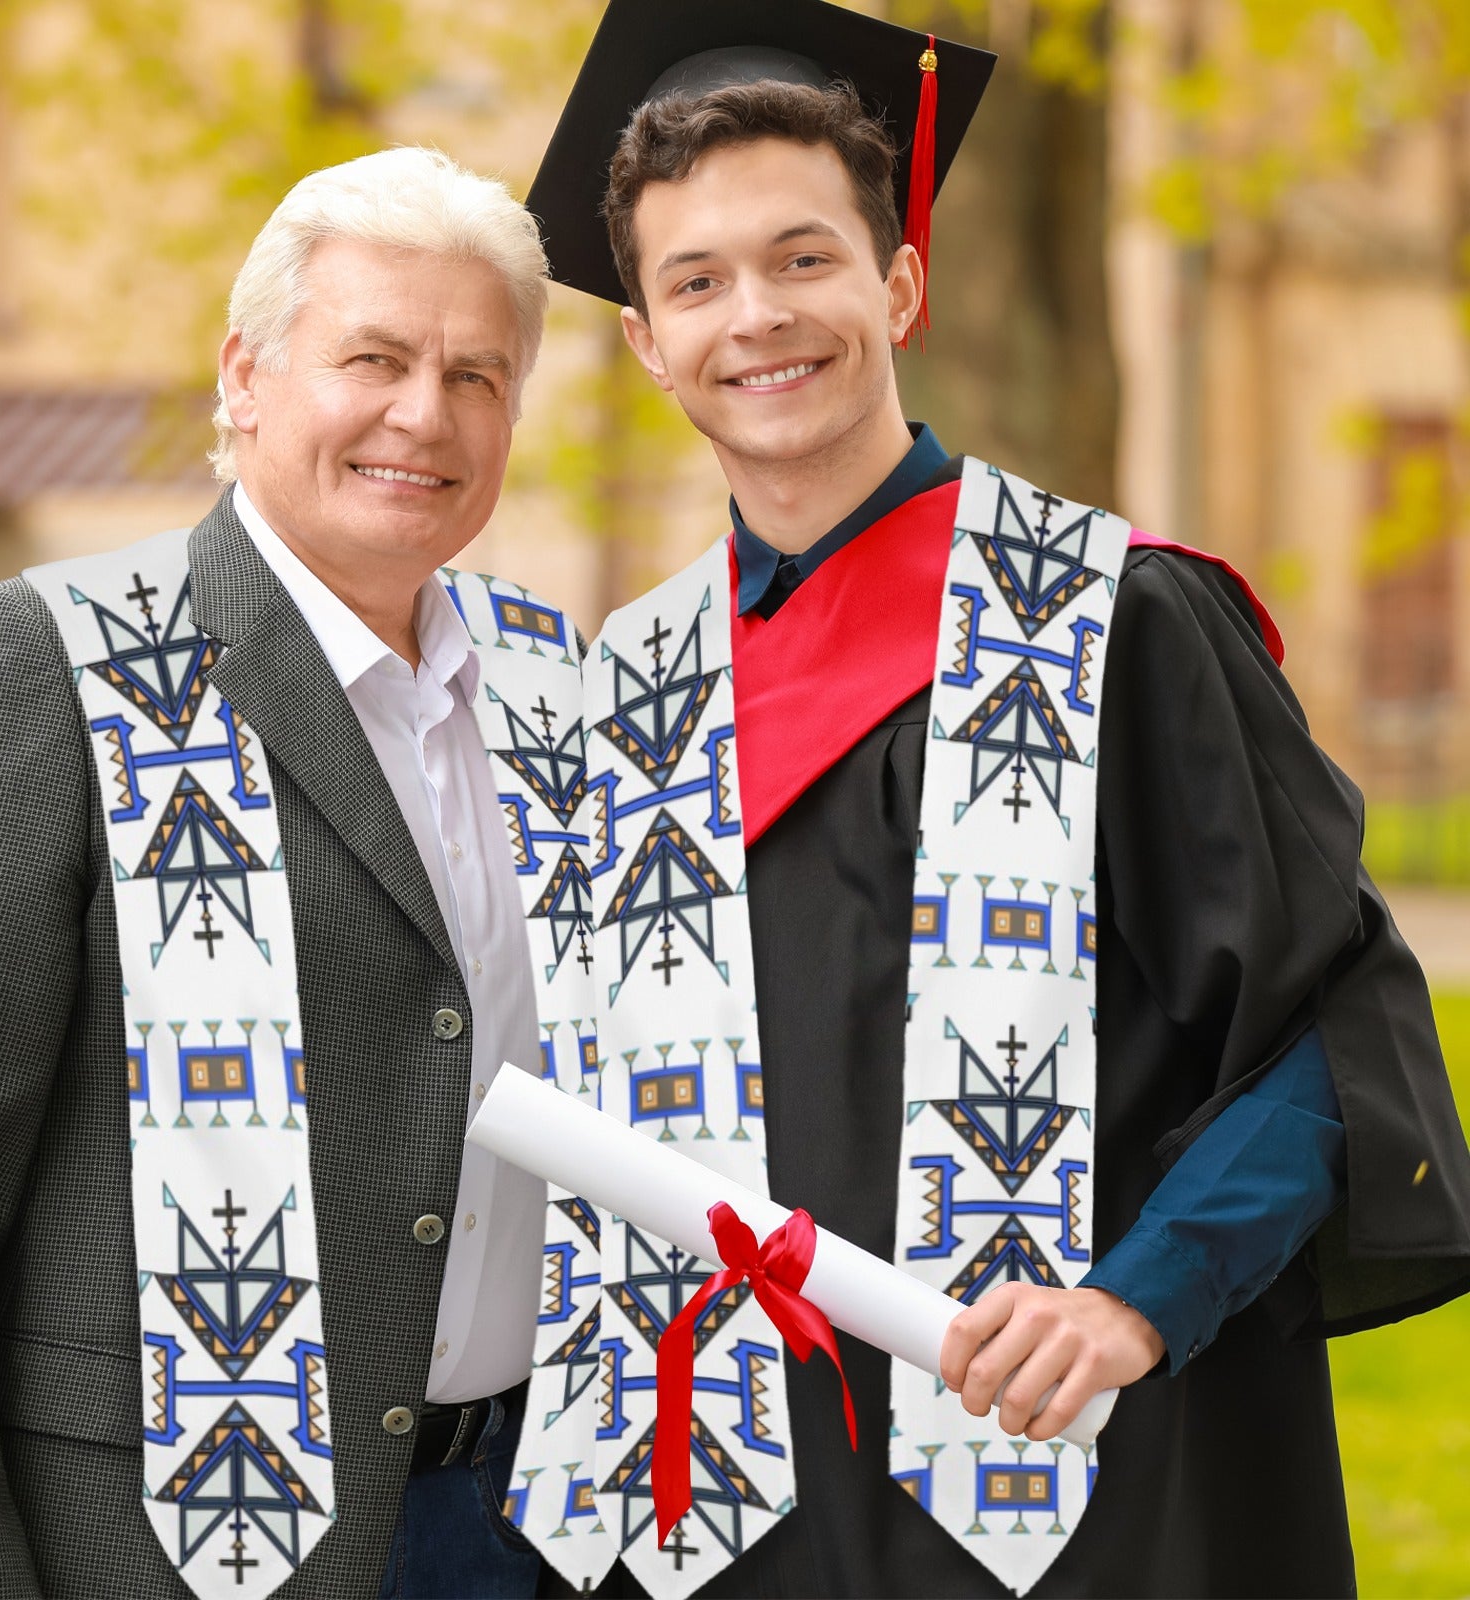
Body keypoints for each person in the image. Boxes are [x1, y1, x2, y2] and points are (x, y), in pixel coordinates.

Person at [500, 2, 1470, 1596]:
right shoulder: (630, 695)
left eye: (805, 259)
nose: (758, 316)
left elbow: (1331, 1034)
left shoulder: (1116, 624)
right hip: (725, 1523)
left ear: (899, 282)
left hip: (1072, 1494)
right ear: (648, 343)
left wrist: (1137, 1299)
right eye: (698, 281)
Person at [0, 146, 591, 1600]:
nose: (422, 413)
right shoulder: (57, 665)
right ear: (245, 377)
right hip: (159, 1546)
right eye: (373, 357)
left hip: (524, 1531)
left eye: (475, 375)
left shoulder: (558, 692)